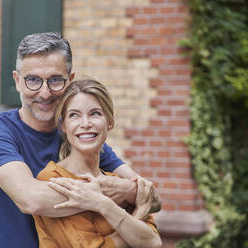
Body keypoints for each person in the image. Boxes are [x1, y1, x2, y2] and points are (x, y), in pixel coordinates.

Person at [0, 32, 161, 248]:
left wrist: (129, 191)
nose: (44, 93)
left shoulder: (80, 138)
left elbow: (153, 198)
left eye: (55, 80)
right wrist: (105, 196)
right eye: (33, 80)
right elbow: (32, 200)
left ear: (70, 80)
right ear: (17, 81)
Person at [33, 79, 162, 248]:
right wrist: (138, 215)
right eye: (74, 115)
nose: (85, 124)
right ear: (63, 125)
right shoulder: (55, 179)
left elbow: (153, 242)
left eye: (95, 113)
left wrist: (102, 204)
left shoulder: (118, 184)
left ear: (109, 122)